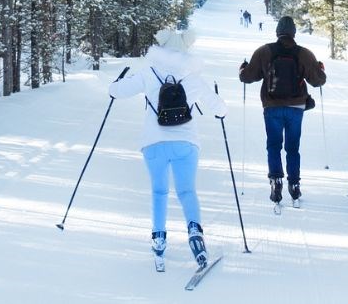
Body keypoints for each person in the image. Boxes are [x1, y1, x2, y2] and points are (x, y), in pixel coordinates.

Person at [110, 29, 228, 272]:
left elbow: (116, 91)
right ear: (186, 51)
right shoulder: (193, 77)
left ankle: (159, 240)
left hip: (153, 143)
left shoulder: (149, 73)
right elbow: (220, 109)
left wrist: (115, 84)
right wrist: (218, 103)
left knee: (159, 192)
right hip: (186, 144)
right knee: (186, 191)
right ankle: (195, 234)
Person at [239, 15, 326, 207]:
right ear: (294, 33)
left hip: (272, 107)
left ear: (277, 32)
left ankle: (276, 181)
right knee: (292, 148)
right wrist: (320, 69)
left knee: (274, 146)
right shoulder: (304, 53)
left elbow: (247, 77)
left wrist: (242, 69)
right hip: (296, 108)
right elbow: (318, 81)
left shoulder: (264, 51)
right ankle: (294, 185)